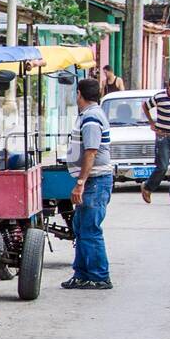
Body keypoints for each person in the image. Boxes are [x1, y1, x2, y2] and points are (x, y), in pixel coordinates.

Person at [62, 76, 113, 290]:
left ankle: (100, 276)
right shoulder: (89, 115)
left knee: (90, 229)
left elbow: (91, 152)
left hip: (95, 182)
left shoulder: (91, 118)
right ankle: (81, 274)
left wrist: (81, 182)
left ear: (80, 95)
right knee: (81, 228)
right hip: (92, 182)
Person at [140, 72, 170, 207]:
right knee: (162, 166)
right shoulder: (160, 97)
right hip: (163, 137)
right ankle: (147, 187)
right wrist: (151, 123)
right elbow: (145, 106)